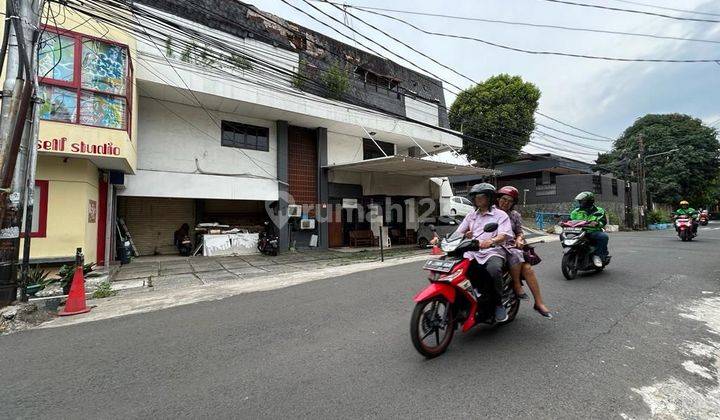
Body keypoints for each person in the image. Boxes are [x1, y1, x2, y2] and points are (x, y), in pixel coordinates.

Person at [451, 183, 514, 322]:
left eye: (481, 196)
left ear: (490, 198)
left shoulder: (500, 215)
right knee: (456, 271)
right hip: (472, 252)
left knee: (493, 269)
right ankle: (467, 300)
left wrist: (491, 241)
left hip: (493, 251)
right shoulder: (471, 215)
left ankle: (498, 304)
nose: (478, 199)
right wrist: (443, 240)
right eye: (475, 197)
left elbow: (503, 235)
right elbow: (457, 233)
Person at [496, 186, 552, 319]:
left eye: (510, 201)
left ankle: (538, 302)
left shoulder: (514, 215)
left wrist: (520, 238)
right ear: (497, 199)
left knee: (527, 267)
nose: (506, 203)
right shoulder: (491, 212)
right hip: (491, 246)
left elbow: (519, 232)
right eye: (503, 199)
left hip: (510, 247)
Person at [570, 192, 609, 267]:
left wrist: (597, 223)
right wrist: (562, 222)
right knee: (563, 235)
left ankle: (599, 256)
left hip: (593, 232)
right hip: (578, 232)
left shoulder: (599, 210)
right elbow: (569, 220)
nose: (580, 202)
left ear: (589, 201)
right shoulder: (575, 211)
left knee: (603, 237)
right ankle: (572, 252)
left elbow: (603, 221)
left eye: (582, 201)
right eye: (579, 201)